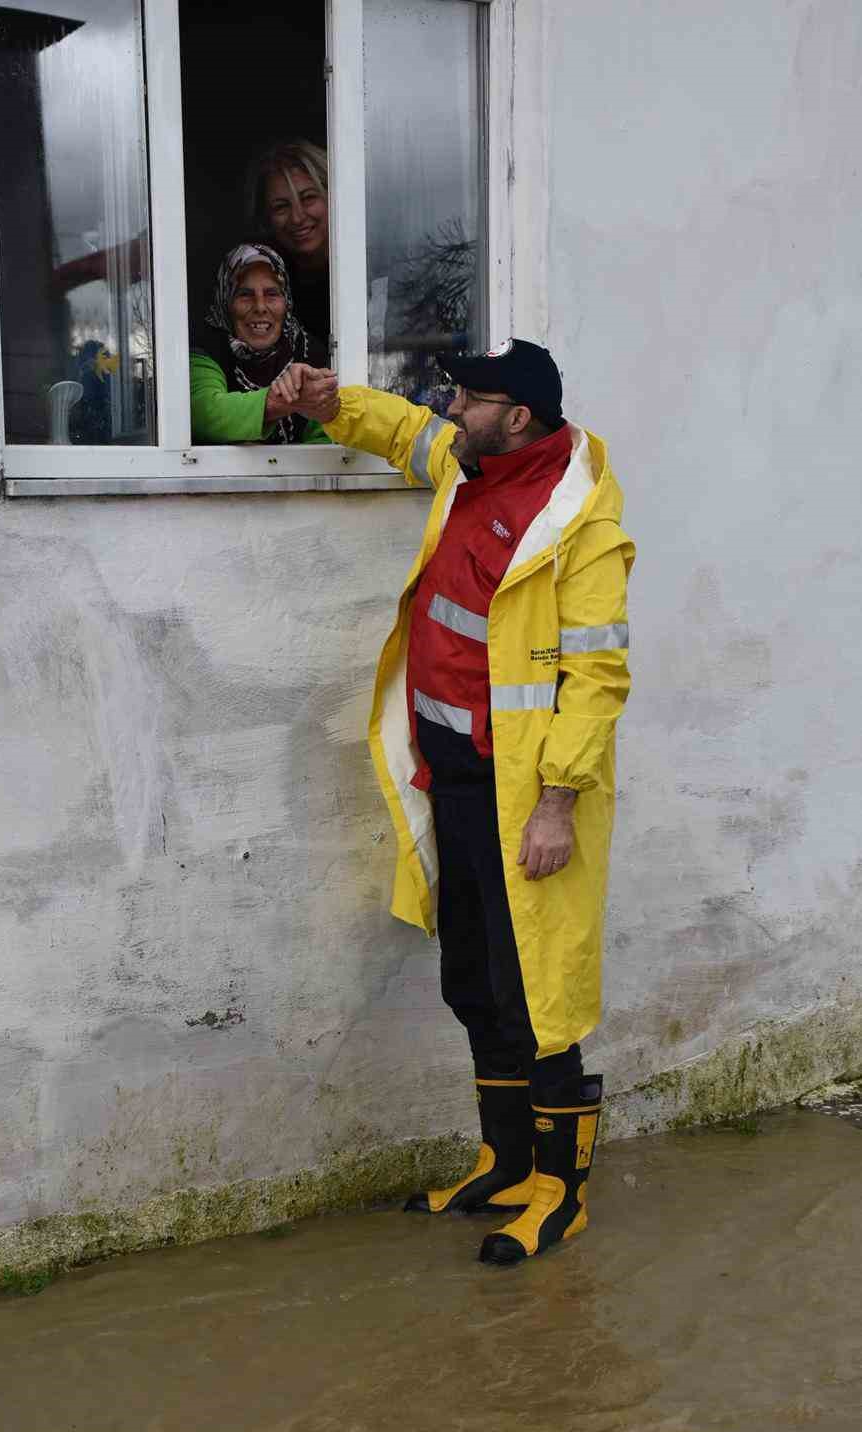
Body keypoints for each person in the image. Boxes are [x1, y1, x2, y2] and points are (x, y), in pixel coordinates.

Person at [276, 342, 633, 1267]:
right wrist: (329, 404)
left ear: (517, 417)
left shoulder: (580, 521)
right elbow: (404, 431)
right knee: (472, 977)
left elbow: (597, 679)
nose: (451, 408)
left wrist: (557, 804)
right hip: (455, 783)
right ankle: (505, 1163)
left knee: (536, 994)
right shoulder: (470, 462)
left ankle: (560, 1193)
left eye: (469, 398)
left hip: (525, 800)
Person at [190, 244, 330, 446]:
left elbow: (327, 437)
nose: (260, 307)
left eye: (272, 293)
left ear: (286, 301)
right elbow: (206, 413)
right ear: (226, 301)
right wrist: (279, 401)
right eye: (245, 294)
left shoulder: (309, 352)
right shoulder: (207, 349)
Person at [245, 141, 330, 346]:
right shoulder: (263, 277)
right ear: (266, 218)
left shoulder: (365, 272)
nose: (297, 218)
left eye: (308, 198)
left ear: (334, 197)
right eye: (281, 207)